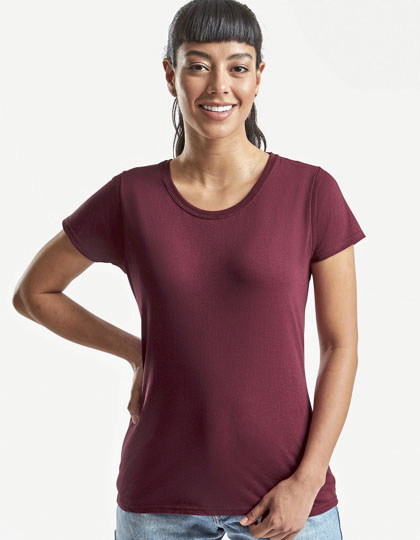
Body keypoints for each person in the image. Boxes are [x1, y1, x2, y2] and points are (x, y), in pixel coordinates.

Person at [12, 0, 366, 538]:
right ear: (170, 74)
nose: (219, 86)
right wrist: (137, 352)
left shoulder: (312, 192)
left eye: (237, 67)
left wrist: (308, 480)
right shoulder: (132, 197)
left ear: (258, 77)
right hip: (160, 499)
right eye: (198, 65)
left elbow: (341, 347)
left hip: (288, 498)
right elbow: (34, 293)